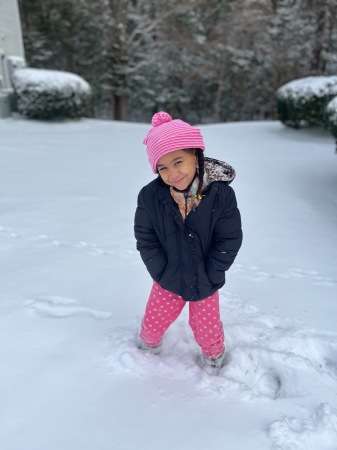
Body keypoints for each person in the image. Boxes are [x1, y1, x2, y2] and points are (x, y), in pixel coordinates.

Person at [134, 111, 242, 373]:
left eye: (178, 161)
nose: (172, 173)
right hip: (168, 278)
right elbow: (145, 238)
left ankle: (214, 359)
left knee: (207, 331)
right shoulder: (150, 197)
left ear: (196, 155)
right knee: (152, 324)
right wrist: (160, 271)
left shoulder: (220, 195)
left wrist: (213, 272)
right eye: (162, 167)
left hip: (205, 279)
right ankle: (147, 351)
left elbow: (229, 237)